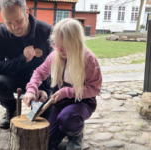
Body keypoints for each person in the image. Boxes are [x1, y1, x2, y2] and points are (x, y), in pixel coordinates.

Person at [23, 18, 102, 150]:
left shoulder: (88, 59)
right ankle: (66, 126)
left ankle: (75, 133)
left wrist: (66, 92)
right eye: (56, 46)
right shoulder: (55, 56)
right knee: (47, 143)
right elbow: (39, 73)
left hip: (82, 103)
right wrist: (31, 89)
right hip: (60, 105)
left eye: (64, 47)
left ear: (75, 42)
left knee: (68, 118)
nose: (59, 50)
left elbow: (94, 88)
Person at [0, 0, 53, 129]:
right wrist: (23, 60)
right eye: (8, 22)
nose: (14, 27)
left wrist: (43, 87)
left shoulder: (47, 31)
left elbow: (59, 66)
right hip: (17, 79)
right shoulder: (0, 34)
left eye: (18, 20)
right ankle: (11, 109)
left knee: (45, 124)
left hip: (42, 83)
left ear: (27, 12)